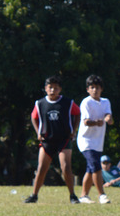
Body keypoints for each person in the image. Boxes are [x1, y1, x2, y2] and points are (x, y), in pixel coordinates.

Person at [23, 75, 80, 204]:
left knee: (65, 167)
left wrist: (74, 130)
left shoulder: (68, 103)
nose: (53, 90)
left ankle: (72, 196)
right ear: (45, 88)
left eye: (56, 88)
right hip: (47, 140)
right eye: (50, 88)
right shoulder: (40, 103)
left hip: (64, 139)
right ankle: (34, 195)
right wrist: (38, 132)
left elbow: (77, 114)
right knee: (42, 167)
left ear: (60, 89)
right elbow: (34, 117)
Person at [76, 75, 114, 204]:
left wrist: (109, 118)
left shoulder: (105, 102)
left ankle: (83, 196)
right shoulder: (86, 102)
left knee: (90, 168)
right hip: (86, 140)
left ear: (101, 89)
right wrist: (97, 122)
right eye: (92, 88)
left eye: (97, 88)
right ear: (87, 89)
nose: (95, 90)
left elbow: (109, 116)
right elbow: (86, 121)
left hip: (98, 141)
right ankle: (101, 195)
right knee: (96, 167)